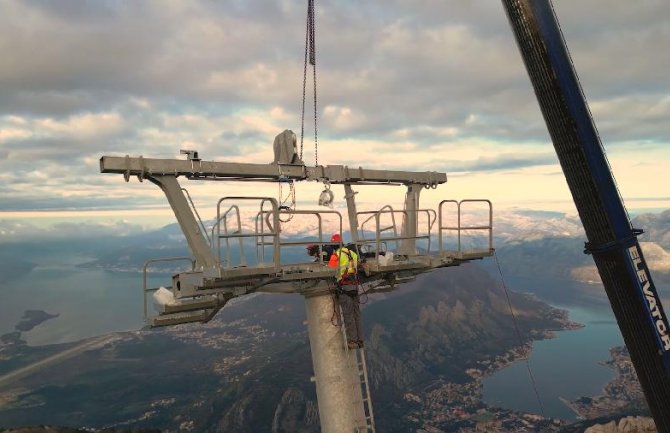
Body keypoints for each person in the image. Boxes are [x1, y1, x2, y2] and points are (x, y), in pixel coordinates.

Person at [327, 234, 364, 349]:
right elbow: (356, 264)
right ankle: (360, 340)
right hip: (354, 286)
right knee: (356, 314)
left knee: (348, 315)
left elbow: (330, 269)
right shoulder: (352, 253)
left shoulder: (336, 255)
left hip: (344, 287)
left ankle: (352, 341)